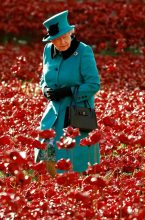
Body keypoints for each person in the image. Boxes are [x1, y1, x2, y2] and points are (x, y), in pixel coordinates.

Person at [35, 10, 101, 177]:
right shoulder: (48, 51)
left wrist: (69, 91)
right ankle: (51, 186)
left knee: (76, 157)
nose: (63, 42)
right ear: (51, 40)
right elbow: (44, 79)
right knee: (46, 151)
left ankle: (76, 192)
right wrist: (46, 90)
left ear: (72, 33)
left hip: (77, 113)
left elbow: (93, 84)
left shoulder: (83, 51)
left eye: (65, 36)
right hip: (54, 113)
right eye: (57, 39)